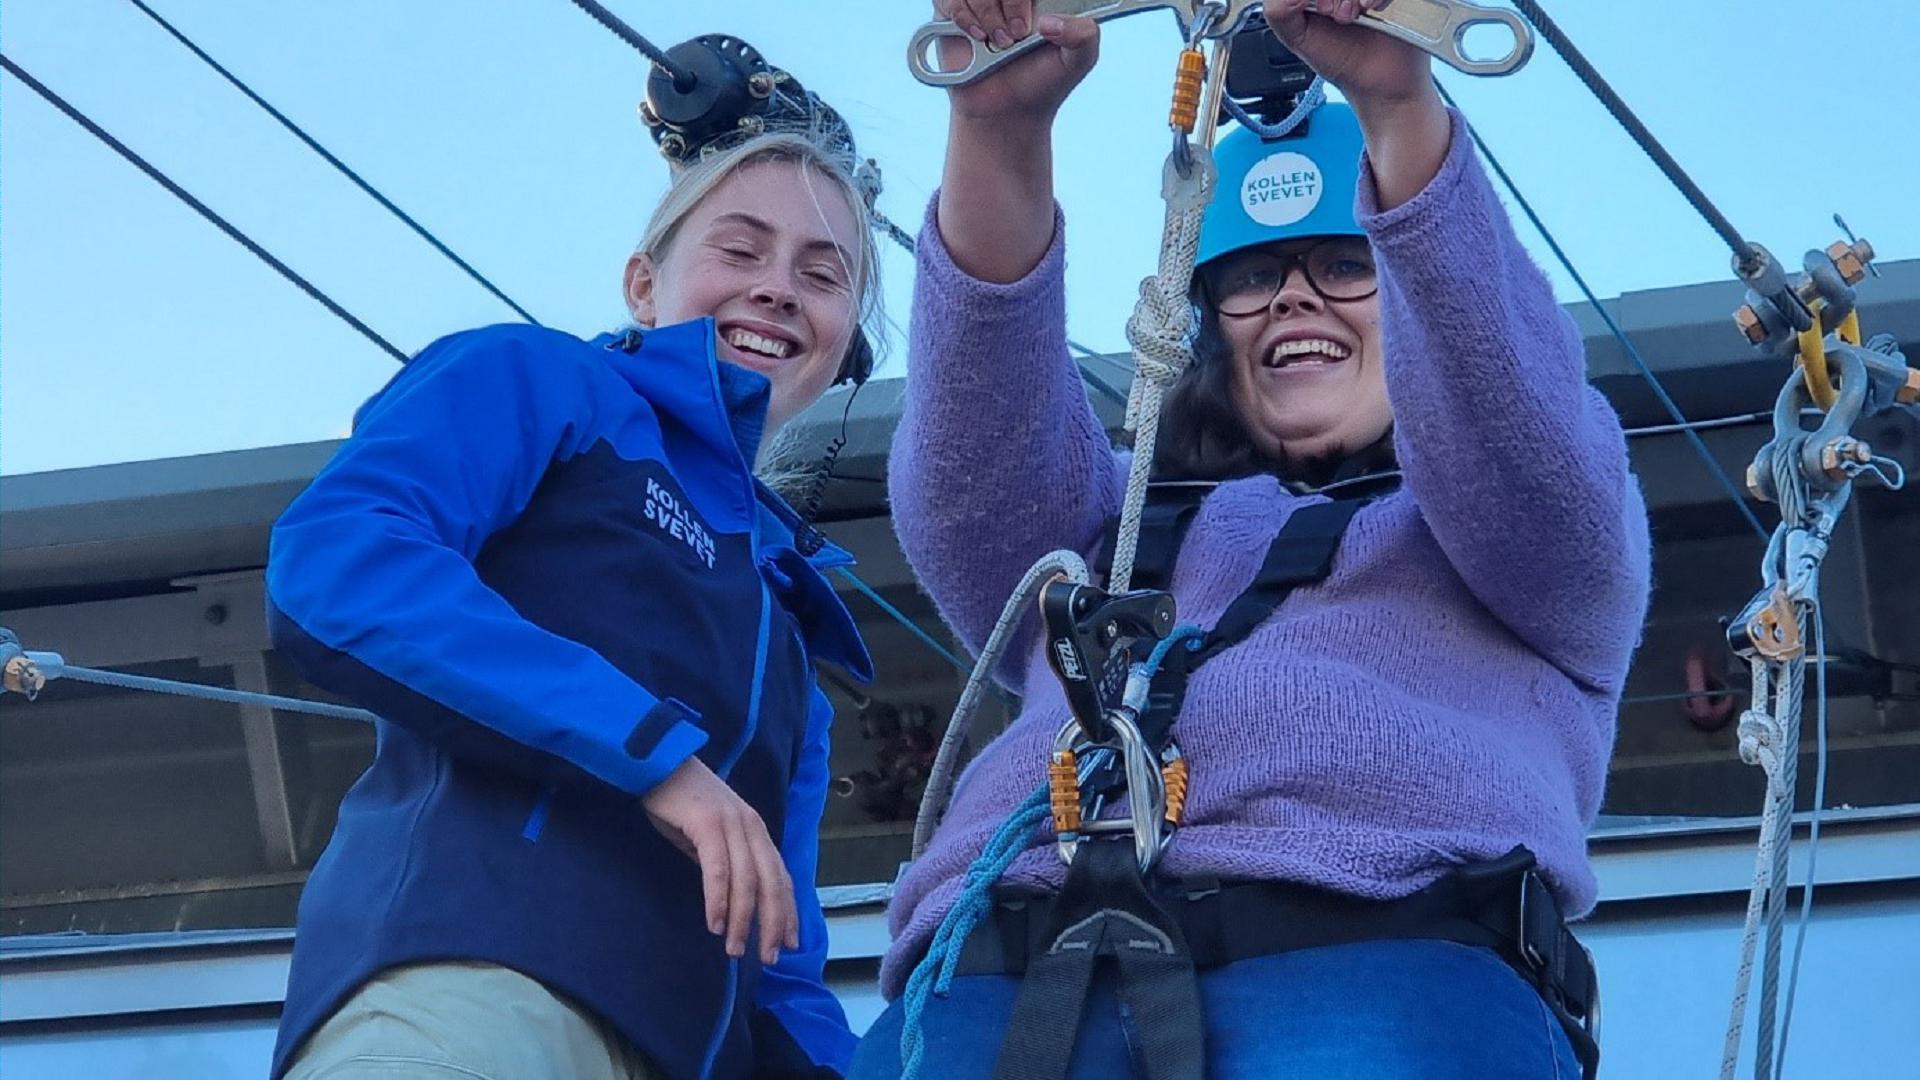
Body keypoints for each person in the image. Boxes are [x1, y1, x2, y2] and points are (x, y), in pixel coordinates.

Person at [852, 1, 1651, 1077]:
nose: (1290, 301)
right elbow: (970, 484)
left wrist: (1395, 106)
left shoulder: (1525, 544)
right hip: (1002, 979)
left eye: (1345, 265)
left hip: (1376, 961)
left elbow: (1519, 441)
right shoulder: (1118, 537)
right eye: (1249, 279)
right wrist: (997, 131)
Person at [265, 126, 882, 1080]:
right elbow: (342, 558)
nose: (778, 287)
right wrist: (657, 757)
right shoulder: (543, 381)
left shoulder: (787, 627)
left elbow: (781, 959)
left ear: (845, 339)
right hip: (478, 990)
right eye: (740, 249)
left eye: (824, 273)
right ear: (644, 283)